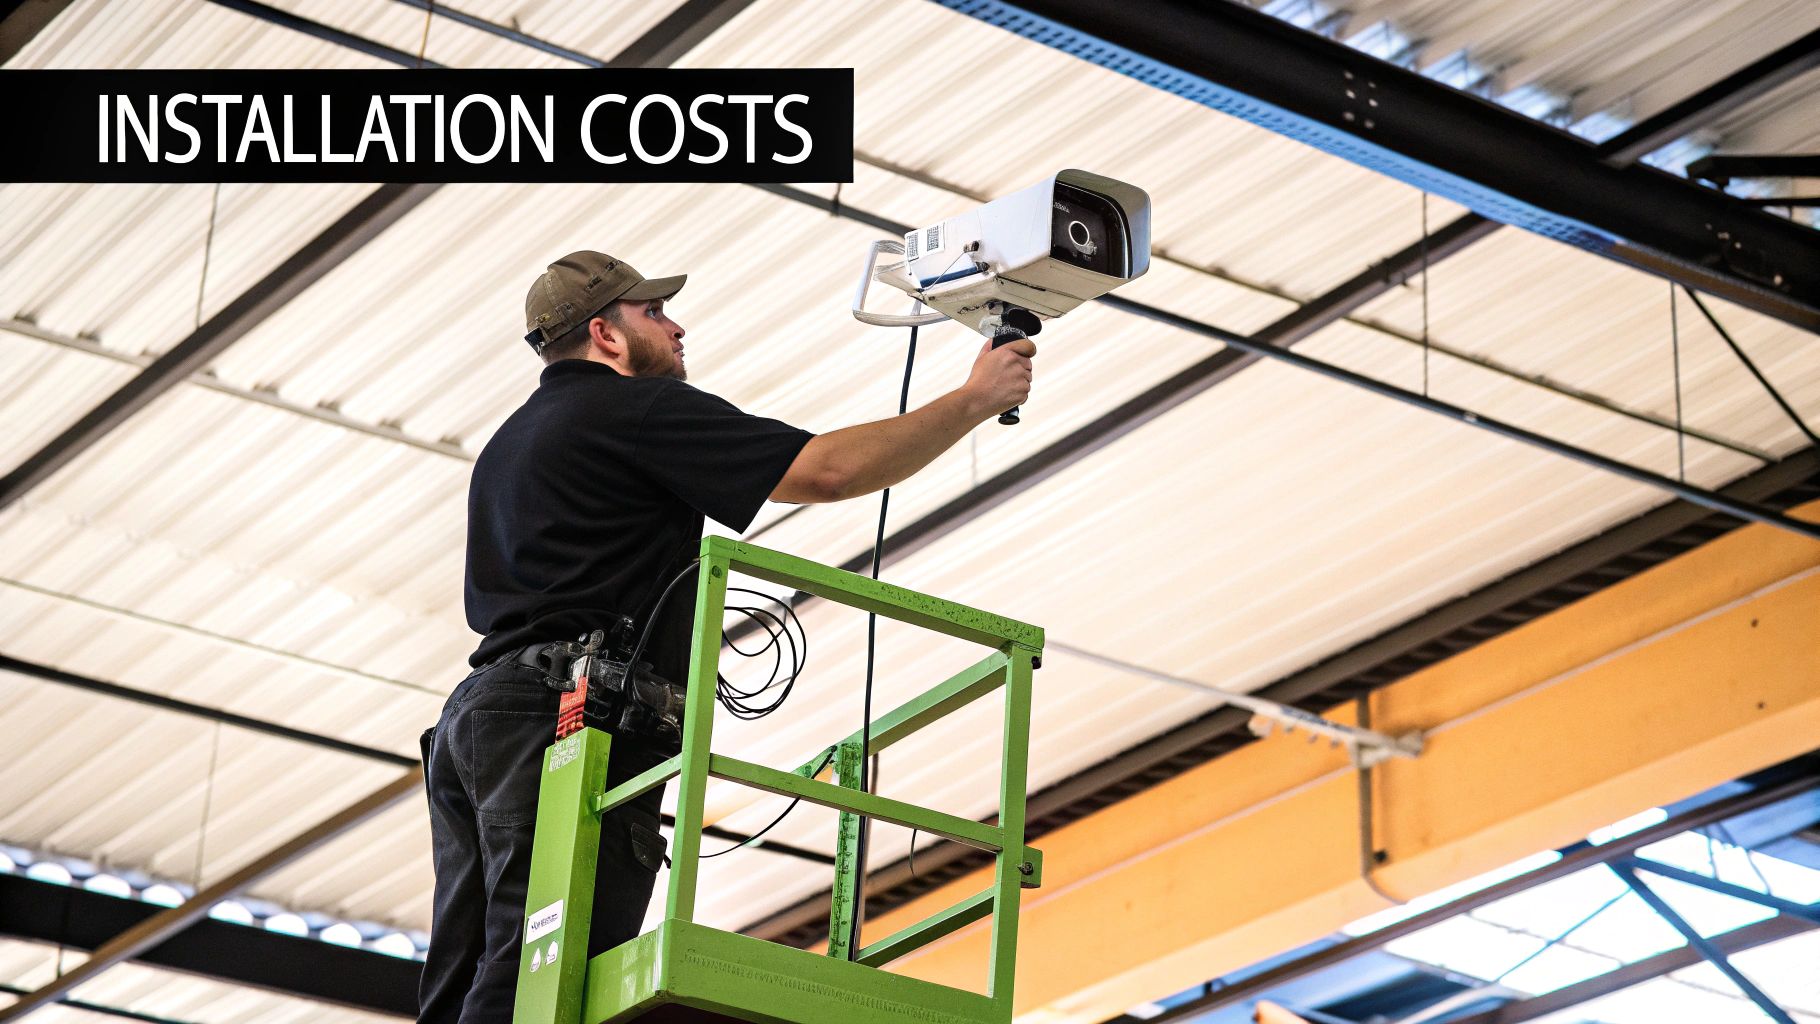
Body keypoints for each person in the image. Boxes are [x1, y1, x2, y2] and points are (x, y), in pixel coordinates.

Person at [417, 250, 1036, 1022]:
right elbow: (829, 471)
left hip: (478, 724)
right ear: (606, 335)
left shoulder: (508, 447)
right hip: (567, 724)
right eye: (654, 313)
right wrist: (973, 400)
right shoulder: (630, 409)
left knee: (468, 973)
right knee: (546, 970)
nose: (676, 326)